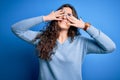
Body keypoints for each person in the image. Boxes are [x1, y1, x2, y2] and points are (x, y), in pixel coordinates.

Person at [11, 4, 116, 80]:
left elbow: (110, 47)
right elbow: (16, 29)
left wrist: (85, 27)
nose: (65, 17)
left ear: (73, 21)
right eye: (62, 13)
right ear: (56, 17)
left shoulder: (82, 43)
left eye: (69, 15)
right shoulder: (41, 38)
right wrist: (45, 18)